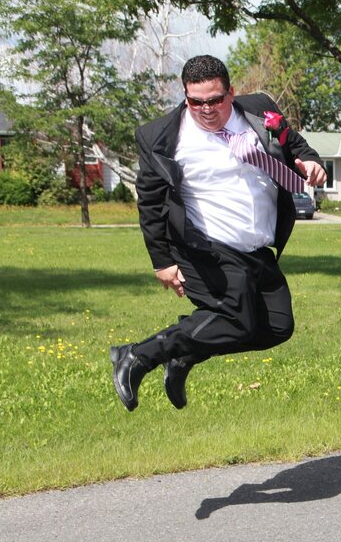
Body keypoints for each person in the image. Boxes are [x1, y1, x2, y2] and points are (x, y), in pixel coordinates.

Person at [110, 55, 326, 411]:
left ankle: (183, 355)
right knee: (237, 321)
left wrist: (311, 161)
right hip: (207, 247)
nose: (206, 109)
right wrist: (162, 261)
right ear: (185, 96)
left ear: (231, 93)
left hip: (257, 246)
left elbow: (294, 143)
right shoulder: (160, 137)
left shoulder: (261, 110)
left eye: (215, 99)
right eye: (196, 101)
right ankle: (137, 356)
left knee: (277, 328)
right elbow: (150, 205)